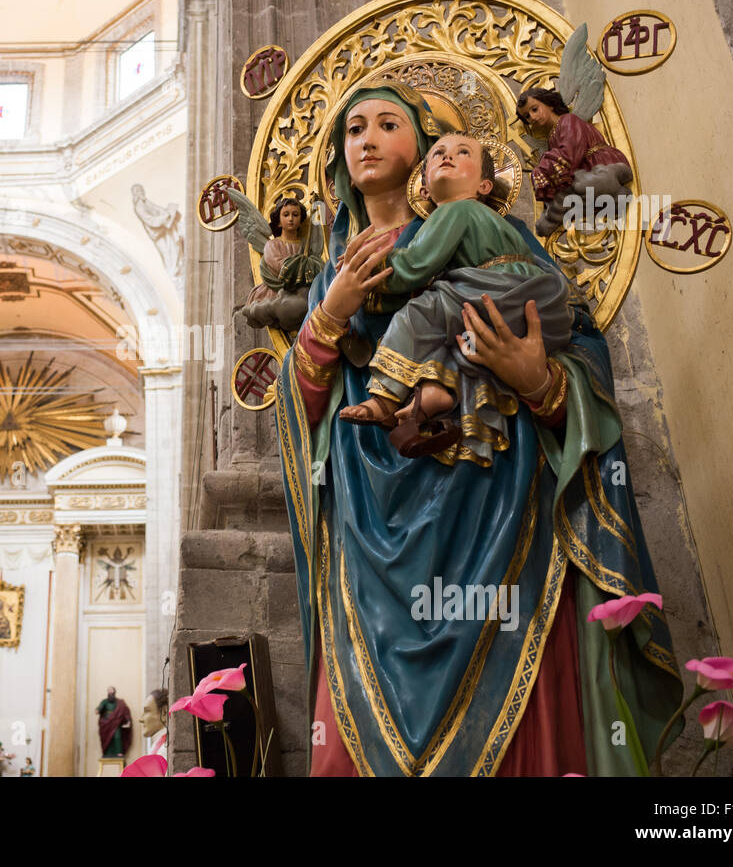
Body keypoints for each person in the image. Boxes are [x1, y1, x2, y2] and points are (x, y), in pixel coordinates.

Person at [274, 72, 682, 776]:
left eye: (387, 123)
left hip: (499, 506)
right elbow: (301, 406)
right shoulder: (330, 274)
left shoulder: (493, 233)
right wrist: (333, 311)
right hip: (371, 530)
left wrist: (538, 379)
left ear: (431, 148)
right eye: (353, 128)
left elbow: (576, 344)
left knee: (522, 725)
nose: (367, 138)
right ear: (337, 157)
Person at [337, 133, 575, 462]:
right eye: (437, 154)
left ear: (485, 187)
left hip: (496, 289)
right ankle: (436, 392)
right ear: (423, 189)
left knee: (423, 311)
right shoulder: (491, 222)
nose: (448, 156)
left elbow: (414, 265)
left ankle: (385, 397)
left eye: (463, 152)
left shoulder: (455, 211)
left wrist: (371, 269)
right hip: (531, 299)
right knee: (456, 327)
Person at [516, 87, 632, 236]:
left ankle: (614, 194)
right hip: (583, 172)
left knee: (575, 188)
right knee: (567, 196)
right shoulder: (552, 137)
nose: (532, 117)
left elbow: (570, 153)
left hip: (600, 162)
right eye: (527, 116)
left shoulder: (568, 120)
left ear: (549, 104)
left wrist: (545, 165)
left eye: (534, 109)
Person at [243, 197, 313, 330]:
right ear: (279, 222)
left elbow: (314, 262)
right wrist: (303, 265)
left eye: (295, 214)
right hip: (277, 289)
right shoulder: (273, 245)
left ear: (301, 220)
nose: (291, 219)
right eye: (286, 215)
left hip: (300, 291)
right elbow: (279, 266)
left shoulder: (305, 244)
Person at [96, 686, 132, 758]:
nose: (110, 693)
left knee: (117, 737)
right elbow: (99, 708)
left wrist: (128, 721)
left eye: (112, 691)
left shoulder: (120, 703)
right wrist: (98, 710)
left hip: (116, 723)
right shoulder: (105, 702)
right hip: (106, 723)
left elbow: (125, 712)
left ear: (114, 692)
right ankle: (107, 752)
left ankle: (119, 752)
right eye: (109, 691)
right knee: (107, 738)